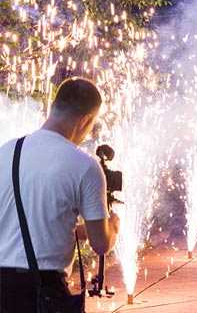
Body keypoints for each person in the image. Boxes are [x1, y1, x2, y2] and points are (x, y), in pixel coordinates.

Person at [0, 77, 120, 312]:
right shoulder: (84, 165)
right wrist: (113, 226)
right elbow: (101, 244)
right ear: (85, 120)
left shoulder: (6, 152)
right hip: (43, 290)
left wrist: (74, 230)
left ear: (53, 108)